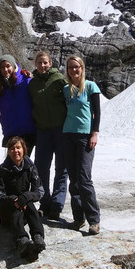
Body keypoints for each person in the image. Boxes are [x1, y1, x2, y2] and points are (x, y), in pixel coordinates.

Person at [62, 55, 101, 235]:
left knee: (84, 178)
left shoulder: (91, 86)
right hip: (68, 135)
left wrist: (94, 133)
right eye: (70, 67)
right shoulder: (65, 89)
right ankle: (79, 219)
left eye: (76, 67)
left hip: (85, 136)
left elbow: (97, 112)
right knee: (74, 179)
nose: (73, 70)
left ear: (82, 68)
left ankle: (94, 221)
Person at [28, 50, 68, 220]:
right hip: (42, 131)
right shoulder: (32, 83)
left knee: (62, 169)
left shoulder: (60, 80)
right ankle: (44, 202)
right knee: (41, 168)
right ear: (35, 65)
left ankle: (57, 205)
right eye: (39, 63)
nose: (42, 66)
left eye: (45, 62)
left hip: (61, 130)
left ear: (50, 63)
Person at [0, 136, 46, 261]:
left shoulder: (30, 166)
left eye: (18, 148)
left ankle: (38, 236)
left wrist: (27, 196)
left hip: (25, 205)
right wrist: (14, 200)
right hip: (6, 209)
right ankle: (22, 239)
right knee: (16, 209)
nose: (15, 151)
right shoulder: (2, 169)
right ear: (8, 151)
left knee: (30, 205)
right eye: (12, 148)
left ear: (24, 149)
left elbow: (39, 190)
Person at [0, 54, 36, 152]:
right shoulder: (1, 86)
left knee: (23, 163)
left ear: (13, 66)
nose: (5, 69)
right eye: (2, 67)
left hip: (27, 131)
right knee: (12, 164)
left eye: (8, 66)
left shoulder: (26, 81)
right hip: (10, 131)